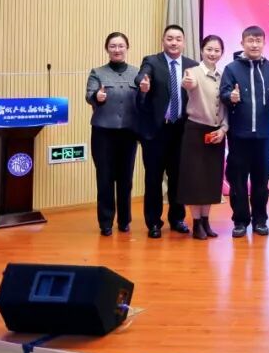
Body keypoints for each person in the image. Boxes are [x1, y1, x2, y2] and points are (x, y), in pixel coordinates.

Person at [136, 24, 198, 238]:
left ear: (184, 42)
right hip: (156, 131)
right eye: (170, 38)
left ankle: (177, 218)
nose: (174, 43)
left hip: (181, 130)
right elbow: (142, 76)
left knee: (178, 178)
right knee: (153, 178)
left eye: (178, 39)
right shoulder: (152, 61)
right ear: (163, 41)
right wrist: (143, 83)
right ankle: (154, 222)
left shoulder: (192, 66)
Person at [220, 25, 269, 238]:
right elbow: (223, 93)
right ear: (242, 43)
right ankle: (240, 221)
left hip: (263, 136)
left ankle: (260, 220)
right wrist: (230, 97)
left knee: (261, 181)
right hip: (238, 136)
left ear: (264, 43)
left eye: (258, 40)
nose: (254, 44)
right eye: (250, 41)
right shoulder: (231, 69)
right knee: (237, 181)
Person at [86, 32, 141, 236]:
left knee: (126, 179)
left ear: (127, 48)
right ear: (107, 49)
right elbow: (89, 95)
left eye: (120, 46)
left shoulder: (137, 73)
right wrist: (97, 96)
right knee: (105, 178)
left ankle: (124, 220)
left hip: (128, 133)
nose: (117, 50)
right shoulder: (97, 72)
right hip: (103, 133)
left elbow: (143, 100)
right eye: (113, 46)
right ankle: (106, 222)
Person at [178, 35, 228, 240]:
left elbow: (226, 107)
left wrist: (224, 129)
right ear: (201, 50)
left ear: (221, 53)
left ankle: (206, 221)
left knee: (210, 179)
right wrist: (187, 83)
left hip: (216, 133)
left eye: (217, 50)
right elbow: (188, 84)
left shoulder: (224, 75)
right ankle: (196, 223)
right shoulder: (192, 72)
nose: (212, 54)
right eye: (209, 49)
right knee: (195, 179)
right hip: (196, 132)